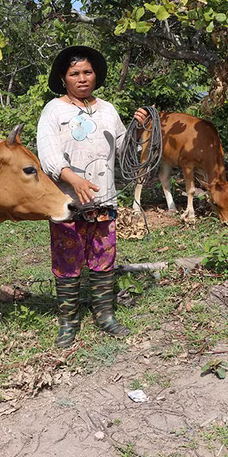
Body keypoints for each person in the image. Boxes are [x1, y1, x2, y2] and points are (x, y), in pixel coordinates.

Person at [37, 46, 147, 348]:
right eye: (75, 74)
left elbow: (124, 151)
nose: (82, 78)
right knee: (67, 260)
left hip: (104, 200)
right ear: (63, 78)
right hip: (67, 202)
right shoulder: (54, 111)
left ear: (95, 76)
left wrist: (137, 128)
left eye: (87, 72)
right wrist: (73, 178)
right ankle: (68, 321)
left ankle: (104, 315)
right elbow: (48, 155)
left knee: (103, 258)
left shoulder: (108, 110)